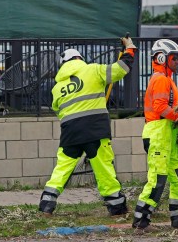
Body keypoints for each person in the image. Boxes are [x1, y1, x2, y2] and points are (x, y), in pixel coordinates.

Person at [38, 37, 137, 217]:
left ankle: (46, 205)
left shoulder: (57, 87)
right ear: (79, 59)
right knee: (104, 169)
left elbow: (58, 111)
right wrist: (129, 49)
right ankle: (117, 208)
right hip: (95, 130)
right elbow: (120, 69)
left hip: (70, 132)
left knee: (62, 168)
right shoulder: (93, 70)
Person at [132, 38, 178, 231]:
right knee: (157, 179)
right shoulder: (160, 79)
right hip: (158, 134)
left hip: (168, 136)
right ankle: (140, 221)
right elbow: (160, 108)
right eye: (174, 59)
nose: (177, 63)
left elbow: (173, 106)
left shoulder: (168, 80)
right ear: (161, 58)